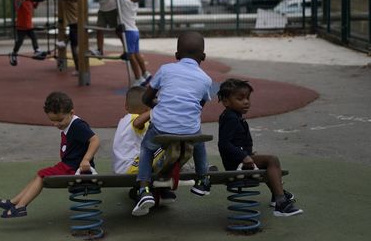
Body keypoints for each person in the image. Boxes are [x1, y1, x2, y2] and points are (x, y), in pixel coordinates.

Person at [132, 31, 213, 217]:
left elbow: (146, 98)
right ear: (204, 57)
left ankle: (143, 190)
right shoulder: (206, 79)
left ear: (176, 55)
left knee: (147, 149)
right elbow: (198, 108)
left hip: (161, 127)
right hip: (190, 130)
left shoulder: (165, 69)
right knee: (199, 141)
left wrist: (159, 106)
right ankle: (203, 179)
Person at [0, 91, 100, 218]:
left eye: (59, 120)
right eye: (52, 121)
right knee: (40, 175)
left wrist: (86, 160)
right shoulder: (69, 124)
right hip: (68, 165)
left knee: (42, 176)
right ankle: (14, 202)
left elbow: (95, 140)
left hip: (75, 168)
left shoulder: (77, 125)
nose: (56, 124)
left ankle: (20, 207)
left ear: (71, 113)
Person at [217, 78, 303, 217]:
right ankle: (281, 202)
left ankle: (277, 196)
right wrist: (244, 156)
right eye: (240, 98)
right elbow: (224, 144)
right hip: (236, 164)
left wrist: (248, 153)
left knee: (267, 164)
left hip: (239, 160)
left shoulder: (234, 116)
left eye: (247, 98)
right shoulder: (231, 118)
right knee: (272, 160)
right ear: (226, 101)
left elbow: (236, 141)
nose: (246, 101)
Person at [112, 86, 177, 204]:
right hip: (131, 166)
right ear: (148, 107)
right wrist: (155, 111)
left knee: (154, 149)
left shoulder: (123, 120)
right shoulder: (136, 119)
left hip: (121, 167)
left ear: (126, 106)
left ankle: (160, 190)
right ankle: (170, 179)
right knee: (169, 145)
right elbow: (138, 124)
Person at [47, 0, 79, 75]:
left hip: (74, 23)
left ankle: (79, 69)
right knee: (76, 41)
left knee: (75, 48)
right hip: (81, 22)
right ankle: (64, 42)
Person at [118, 0, 151, 86]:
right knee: (137, 54)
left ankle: (138, 78)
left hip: (129, 31)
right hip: (134, 31)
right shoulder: (135, 4)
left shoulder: (126, 0)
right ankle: (145, 73)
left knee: (131, 56)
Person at [9, 0, 45, 66]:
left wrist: (39, 1)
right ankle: (14, 53)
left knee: (34, 37)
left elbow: (35, 6)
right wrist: (21, 1)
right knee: (20, 41)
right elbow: (16, 7)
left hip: (29, 25)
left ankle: (36, 51)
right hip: (21, 26)